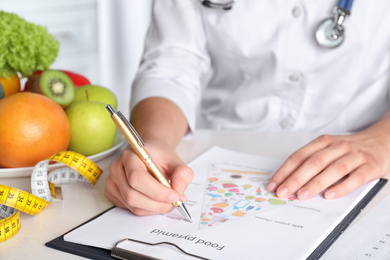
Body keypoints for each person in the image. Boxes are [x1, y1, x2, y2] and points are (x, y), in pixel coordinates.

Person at [105, 0, 390, 216]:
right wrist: (155, 140)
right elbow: (171, 64)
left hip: (367, 158)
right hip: (215, 151)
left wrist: (383, 141)